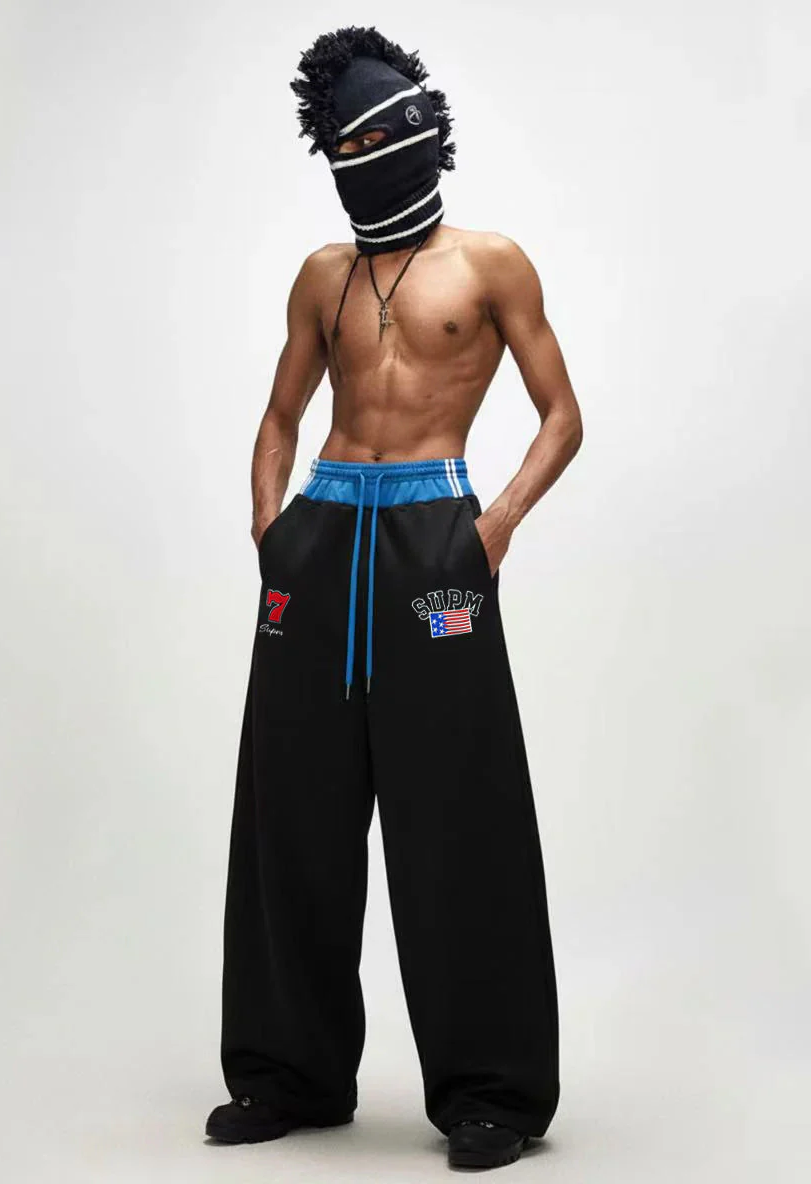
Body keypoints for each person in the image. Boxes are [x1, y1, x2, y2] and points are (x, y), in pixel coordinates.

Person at [205, 24, 583, 1172]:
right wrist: (271, 532)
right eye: (346, 145)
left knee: (458, 812)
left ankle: (491, 1092)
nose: (363, 156)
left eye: (379, 136)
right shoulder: (324, 274)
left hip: (434, 541)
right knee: (293, 809)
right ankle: (289, 1072)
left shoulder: (492, 263)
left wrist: (492, 527)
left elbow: (562, 414)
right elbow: (281, 413)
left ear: (425, 130)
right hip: (322, 536)